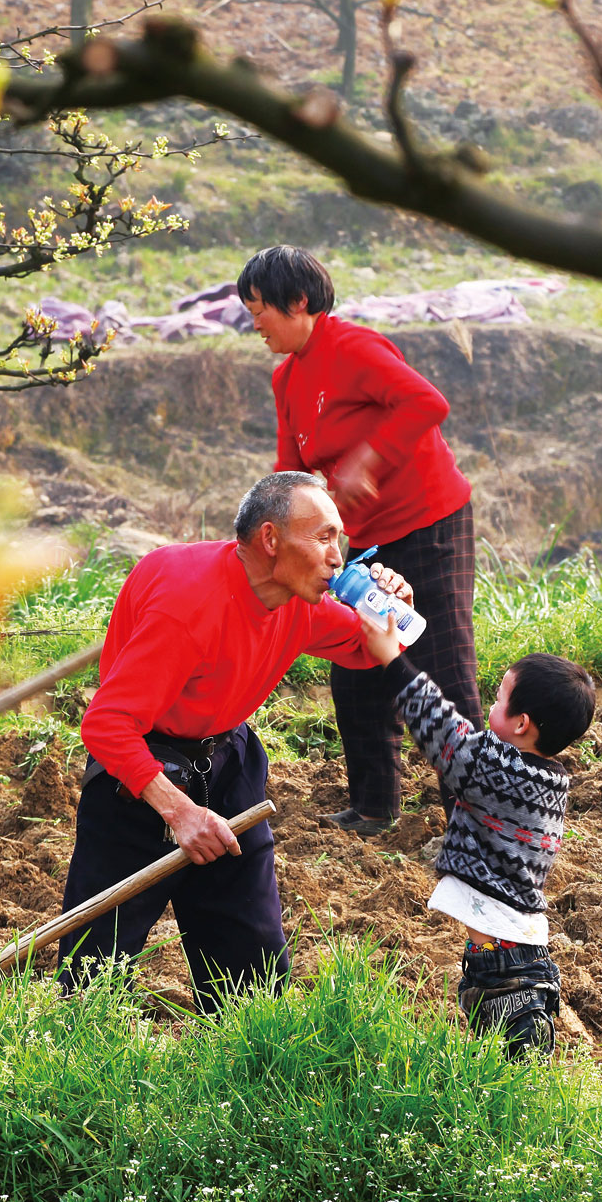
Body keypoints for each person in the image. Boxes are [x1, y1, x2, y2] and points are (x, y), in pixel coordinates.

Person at [57, 472, 413, 1012]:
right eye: (322, 538)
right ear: (271, 540)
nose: (338, 556)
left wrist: (392, 607)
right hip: (140, 773)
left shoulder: (299, 603)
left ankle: (250, 1066)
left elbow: (371, 648)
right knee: (93, 975)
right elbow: (107, 724)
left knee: (253, 977)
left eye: (339, 539)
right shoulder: (187, 606)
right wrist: (179, 813)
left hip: (226, 760)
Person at [237, 245, 482, 836]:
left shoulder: (355, 348)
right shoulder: (287, 378)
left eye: (260, 309)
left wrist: (367, 458)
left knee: (443, 666)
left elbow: (428, 403)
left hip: (429, 524)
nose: (255, 324)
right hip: (365, 545)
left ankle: (475, 821)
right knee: (355, 666)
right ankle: (375, 808)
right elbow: (290, 474)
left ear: (300, 302)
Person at [361, 609, 596, 1058]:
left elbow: (443, 730)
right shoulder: (550, 779)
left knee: (518, 1069)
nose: (489, 704)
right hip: (513, 954)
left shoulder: (497, 770)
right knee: (504, 1069)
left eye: (499, 696)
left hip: (506, 967)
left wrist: (392, 659)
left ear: (522, 723)